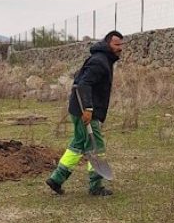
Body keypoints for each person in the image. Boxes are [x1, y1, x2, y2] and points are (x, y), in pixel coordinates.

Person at [46, 30, 124, 196]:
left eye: (121, 45)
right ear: (108, 43)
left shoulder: (103, 60)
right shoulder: (99, 62)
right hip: (85, 111)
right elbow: (83, 84)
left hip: (81, 109)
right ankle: (95, 186)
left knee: (79, 143)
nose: (120, 48)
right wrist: (88, 109)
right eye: (117, 44)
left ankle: (56, 179)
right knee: (96, 147)